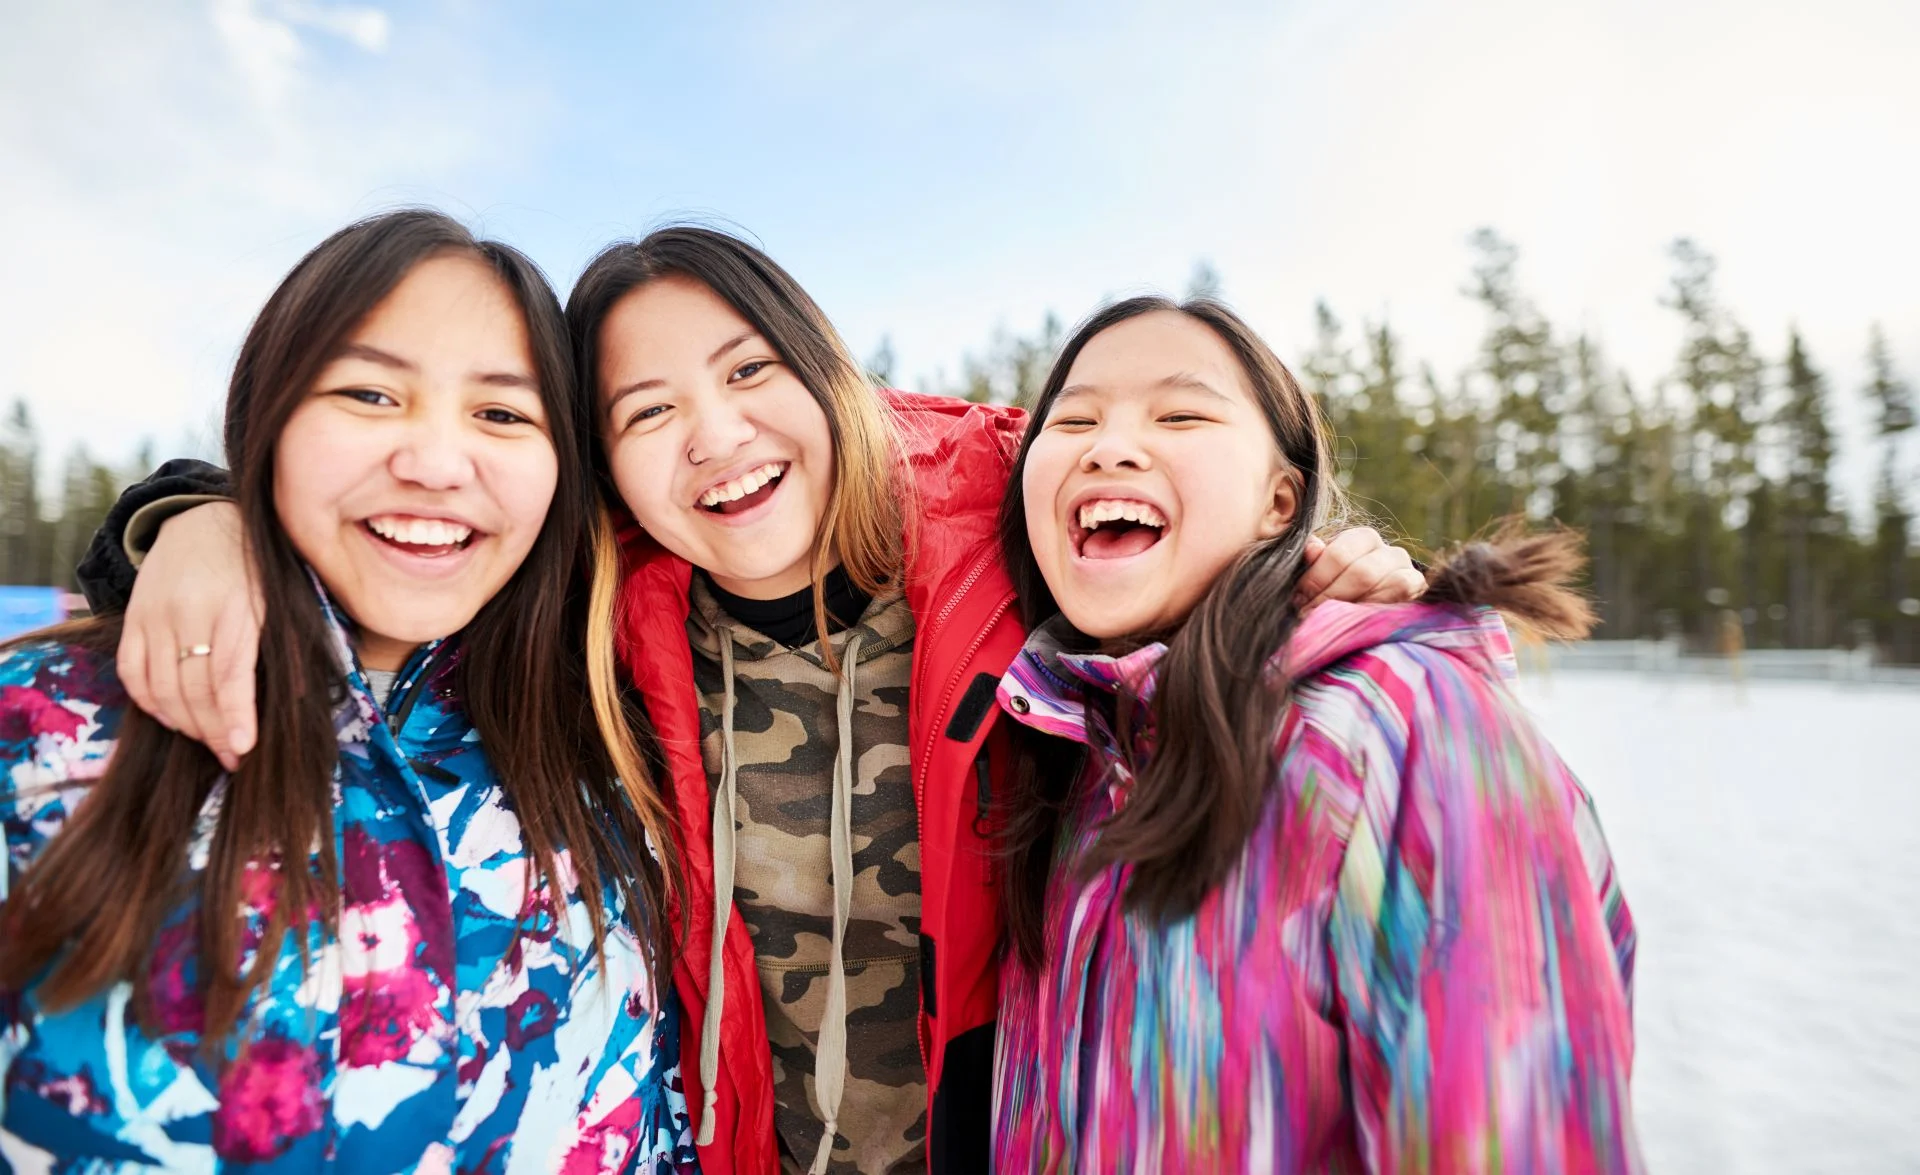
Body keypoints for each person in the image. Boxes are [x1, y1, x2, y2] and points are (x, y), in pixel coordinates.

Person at [80, 228, 1427, 1173]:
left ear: (824, 371)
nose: (714, 439)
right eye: (644, 410)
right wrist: (194, 516)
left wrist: (1315, 572)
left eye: (745, 374)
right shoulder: (605, 610)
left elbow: (1170, 497)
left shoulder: (1011, 532)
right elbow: (395, 523)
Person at [0, 210, 694, 1172]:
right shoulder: (38, 733)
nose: (437, 463)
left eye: (501, 413)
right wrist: (199, 515)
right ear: (271, 415)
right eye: (370, 394)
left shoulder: (611, 759)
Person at [990, 296, 1640, 1172]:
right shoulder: (1068, 747)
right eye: (1072, 420)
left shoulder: (1405, 727)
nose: (1108, 445)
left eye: (1180, 412)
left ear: (1280, 500)